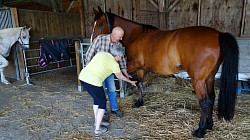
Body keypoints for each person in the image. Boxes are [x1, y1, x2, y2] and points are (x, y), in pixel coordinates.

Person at [79, 44, 137, 136]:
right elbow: (120, 76)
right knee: (102, 103)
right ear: (117, 56)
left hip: (83, 77)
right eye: (121, 57)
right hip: (94, 81)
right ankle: (97, 129)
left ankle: (97, 121)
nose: (121, 59)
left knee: (96, 100)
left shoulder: (101, 53)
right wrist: (131, 81)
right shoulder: (114, 64)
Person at [85, 27, 131, 118]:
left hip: (109, 72)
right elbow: (89, 54)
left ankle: (114, 109)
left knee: (112, 90)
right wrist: (90, 70)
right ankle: (104, 111)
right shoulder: (100, 40)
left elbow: (121, 61)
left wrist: (126, 73)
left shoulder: (118, 44)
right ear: (113, 35)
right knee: (101, 91)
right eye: (120, 37)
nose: (121, 39)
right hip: (98, 72)